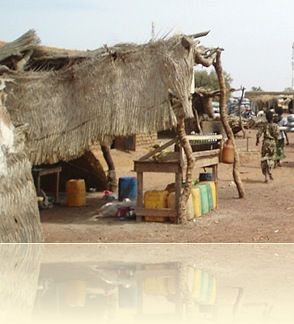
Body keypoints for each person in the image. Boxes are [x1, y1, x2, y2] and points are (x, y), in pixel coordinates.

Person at [256, 110, 280, 183]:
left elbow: (258, 134)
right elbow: (277, 135)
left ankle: (266, 176)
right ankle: (270, 170)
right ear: (273, 118)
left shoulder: (264, 125)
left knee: (264, 159)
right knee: (271, 159)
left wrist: (257, 141)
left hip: (265, 143)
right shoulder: (276, 126)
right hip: (272, 143)